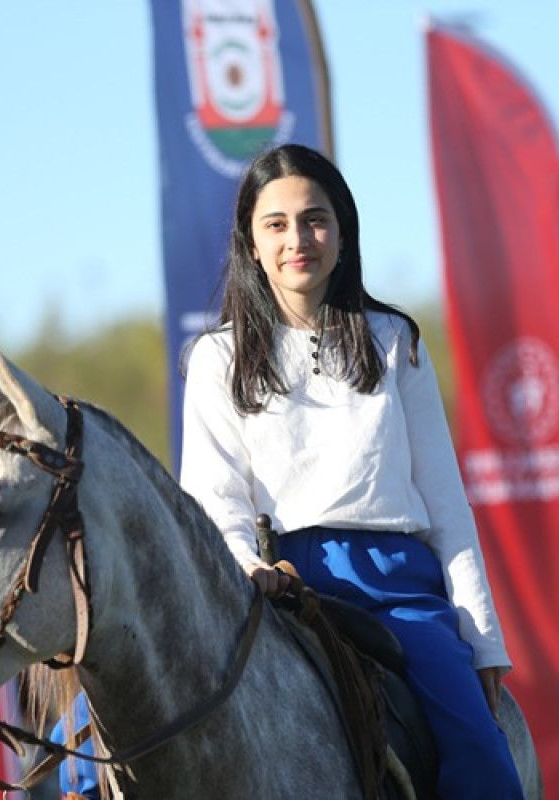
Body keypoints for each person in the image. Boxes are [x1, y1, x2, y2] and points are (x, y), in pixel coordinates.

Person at [179, 143, 523, 799]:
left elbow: (446, 503)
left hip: (400, 590)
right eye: (276, 224)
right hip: (278, 584)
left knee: (481, 753)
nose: (297, 239)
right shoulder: (217, 360)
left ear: (342, 233)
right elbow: (215, 498)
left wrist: (483, 640)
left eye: (315, 219)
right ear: (251, 243)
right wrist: (249, 569)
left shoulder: (396, 342)